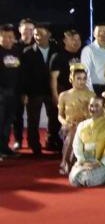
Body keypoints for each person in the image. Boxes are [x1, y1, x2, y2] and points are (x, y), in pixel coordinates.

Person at [21, 24, 60, 154]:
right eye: (36, 34)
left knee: (54, 117)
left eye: (41, 34)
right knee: (33, 119)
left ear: (49, 34)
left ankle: (52, 141)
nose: (38, 37)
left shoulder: (56, 50)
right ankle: (34, 144)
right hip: (34, 91)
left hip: (51, 90)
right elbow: (24, 75)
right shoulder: (27, 52)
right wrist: (24, 93)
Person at [68, 96, 105, 187]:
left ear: (104, 107)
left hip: (103, 161)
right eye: (91, 105)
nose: (93, 109)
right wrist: (82, 160)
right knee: (74, 179)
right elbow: (77, 145)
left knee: (87, 179)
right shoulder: (82, 125)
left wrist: (99, 163)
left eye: (97, 106)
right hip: (85, 159)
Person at [56, 64, 93, 174]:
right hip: (68, 126)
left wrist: (86, 116)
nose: (82, 81)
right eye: (79, 78)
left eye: (84, 79)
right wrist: (65, 123)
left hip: (85, 126)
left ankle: (67, 162)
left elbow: (94, 115)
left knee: (76, 131)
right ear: (71, 78)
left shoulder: (91, 95)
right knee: (73, 131)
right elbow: (59, 115)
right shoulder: (64, 95)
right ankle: (67, 162)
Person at [11, 18, 35, 149]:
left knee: (33, 117)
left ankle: (33, 141)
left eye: (31, 29)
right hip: (18, 87)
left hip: (35, 88)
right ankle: (18, 140)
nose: (29, 32)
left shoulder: (37, 46)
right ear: (20, 30)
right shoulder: (14, 47)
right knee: (17, 116)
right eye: (26, 29)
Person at [0, 24, 22, 158]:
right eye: (5, 36)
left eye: (11, 37)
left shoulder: (16, 51)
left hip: (13, 92)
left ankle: (4, 148)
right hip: (1, 93)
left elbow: (20, 73)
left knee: (8, 122)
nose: (9, 39)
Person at [80, 23, 105, 95]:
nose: (102, 34)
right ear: (94, 34)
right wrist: (91, 92)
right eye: (99, 31)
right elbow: (85, 71)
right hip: (96, 88)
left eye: (104, 31)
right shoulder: (88, 49)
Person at [49, 29, 84, 102]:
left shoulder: (83, 54)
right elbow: (53, 77)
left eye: (78, 39)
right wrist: (55, 95)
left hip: (81, 92)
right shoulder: (58, 56)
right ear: (65, 41)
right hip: (64, 92)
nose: (76, 42)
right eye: (73, 39)